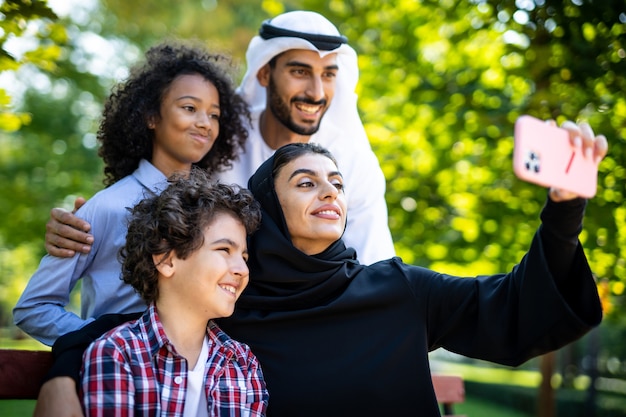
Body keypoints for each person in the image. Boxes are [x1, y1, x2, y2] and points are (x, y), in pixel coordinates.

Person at [37, 122, 607, 416]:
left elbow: (514, 309)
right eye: (305, 182)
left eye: (336, 182)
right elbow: (122, 333)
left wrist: (562, 213)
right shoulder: (232, 299)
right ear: (267, 208)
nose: (330, 192)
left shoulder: (400, 289)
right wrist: (61, 376)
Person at [43, 10, 395, 265]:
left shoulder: (351, 158)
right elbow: (147, 199)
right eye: (300, 72)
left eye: (329, 74)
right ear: (263, 72)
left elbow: (373, 258)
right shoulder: (217, 138)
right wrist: (80, 224)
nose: (316, 92)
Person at [13, 41, 250, 346]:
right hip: (118, 381)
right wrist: (107, 343)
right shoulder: (106, 208)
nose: (205, 124)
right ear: (151, 117)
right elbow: (33, 307)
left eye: (214, 115)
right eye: (190, 108)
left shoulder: (219, 212)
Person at [80, 169, 268, 416]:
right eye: (224, 250)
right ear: (167, 261)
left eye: (243, 257)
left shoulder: (243, 363)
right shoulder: (117, 354)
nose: (242, 269)